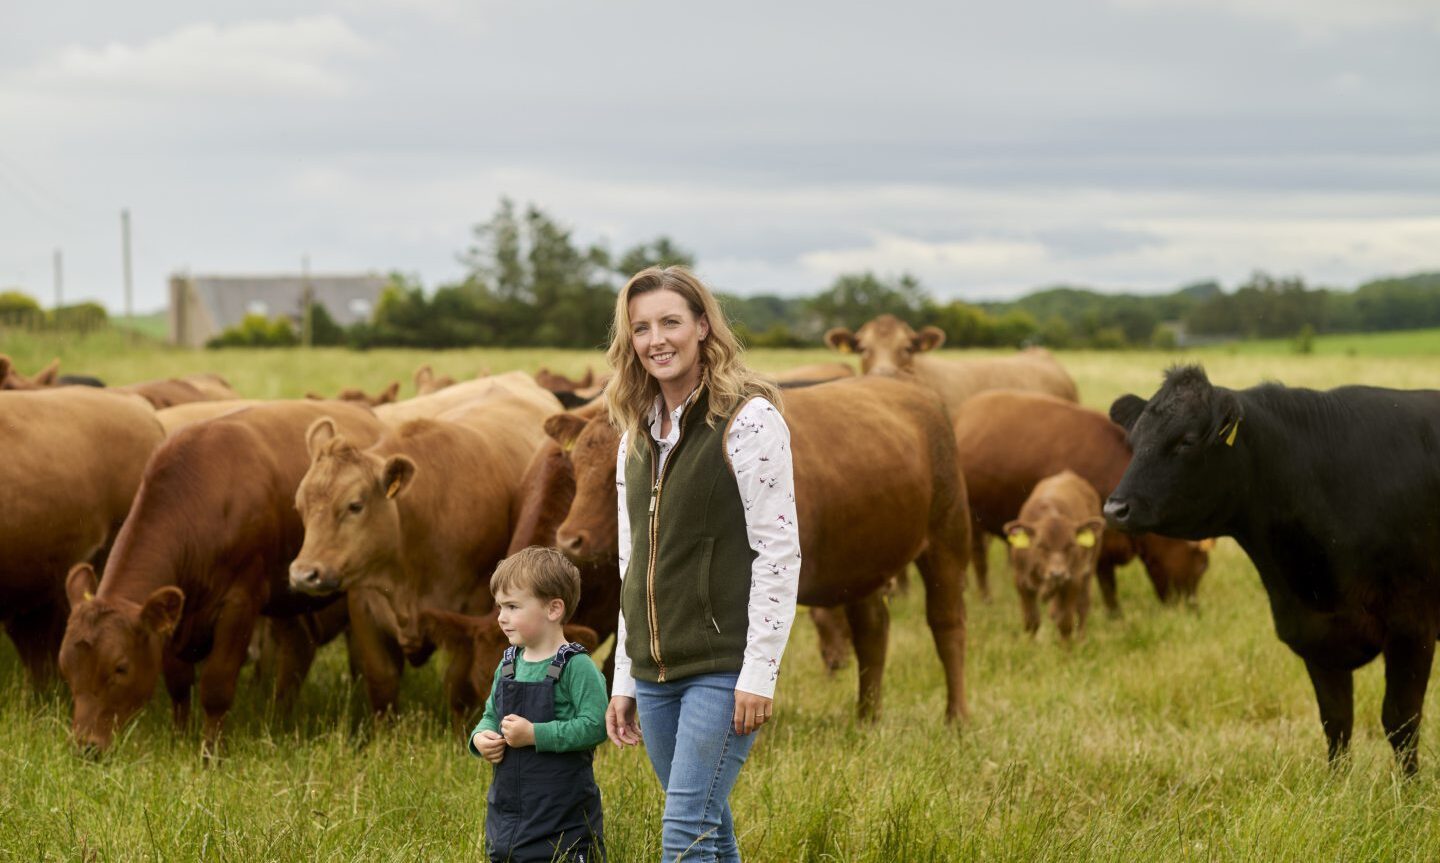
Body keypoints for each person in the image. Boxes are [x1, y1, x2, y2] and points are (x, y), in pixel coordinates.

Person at [604, 265, 801, 862]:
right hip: (655, 672)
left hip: (722, 664)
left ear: (703, 327)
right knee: (708, 827)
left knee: (683, 828)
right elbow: (630, 561)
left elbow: (779, 552)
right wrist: (625, 674)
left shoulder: (749, 419)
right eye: (641, 328)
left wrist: (758, 674)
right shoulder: (634, 433)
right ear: (629, 343)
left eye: (670, 322)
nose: (656, 339)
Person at [470, 546, 608, 863]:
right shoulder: (507, 665)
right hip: (509, 810)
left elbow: (595, 725)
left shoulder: (577, 667)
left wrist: (535, 734)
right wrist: (480, 738)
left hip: (563, 816)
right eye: (499, 607)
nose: (501, 617)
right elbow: (491, 715)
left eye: (513, 606)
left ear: (553, 609)